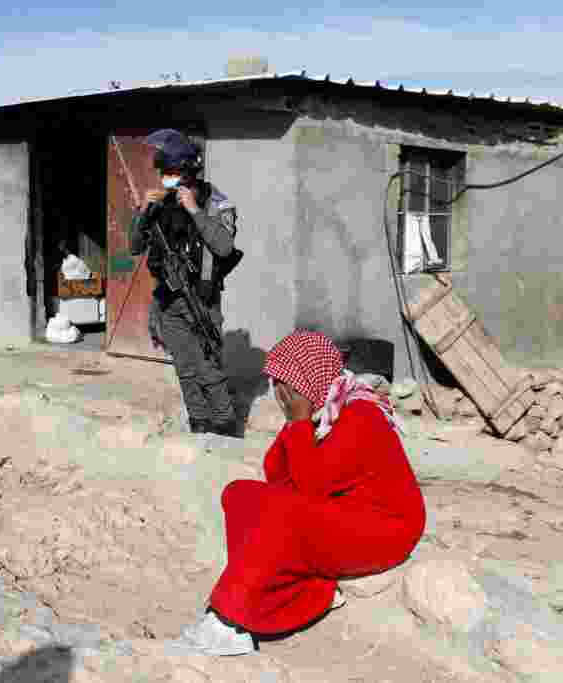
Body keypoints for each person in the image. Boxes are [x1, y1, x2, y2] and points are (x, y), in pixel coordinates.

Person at [177, 330, 427, 656]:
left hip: (385, 529)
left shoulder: (361, 415)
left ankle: (231, 621)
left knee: (283, 513)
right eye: (275, 383)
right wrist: (296, 424)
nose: (278, 393)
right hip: (342, 513)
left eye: (285, 383)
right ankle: (296, 591)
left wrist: (298, 423)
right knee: (240, 495)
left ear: (309, 380)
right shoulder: (322, 414)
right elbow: (277, 474)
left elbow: (311, 486)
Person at [130, 129, 240, 437]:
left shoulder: (216, 203)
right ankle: (199, 424)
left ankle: (224, 428)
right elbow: (135, 247)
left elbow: (224, 248)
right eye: (163, 172)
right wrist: (142, 213)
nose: (166, 178)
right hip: (168, 300)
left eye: (173, 172)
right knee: (185, 369)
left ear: (189, 170)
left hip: (201, 299)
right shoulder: (160, 202)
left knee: (208, 369)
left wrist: (194, 209)